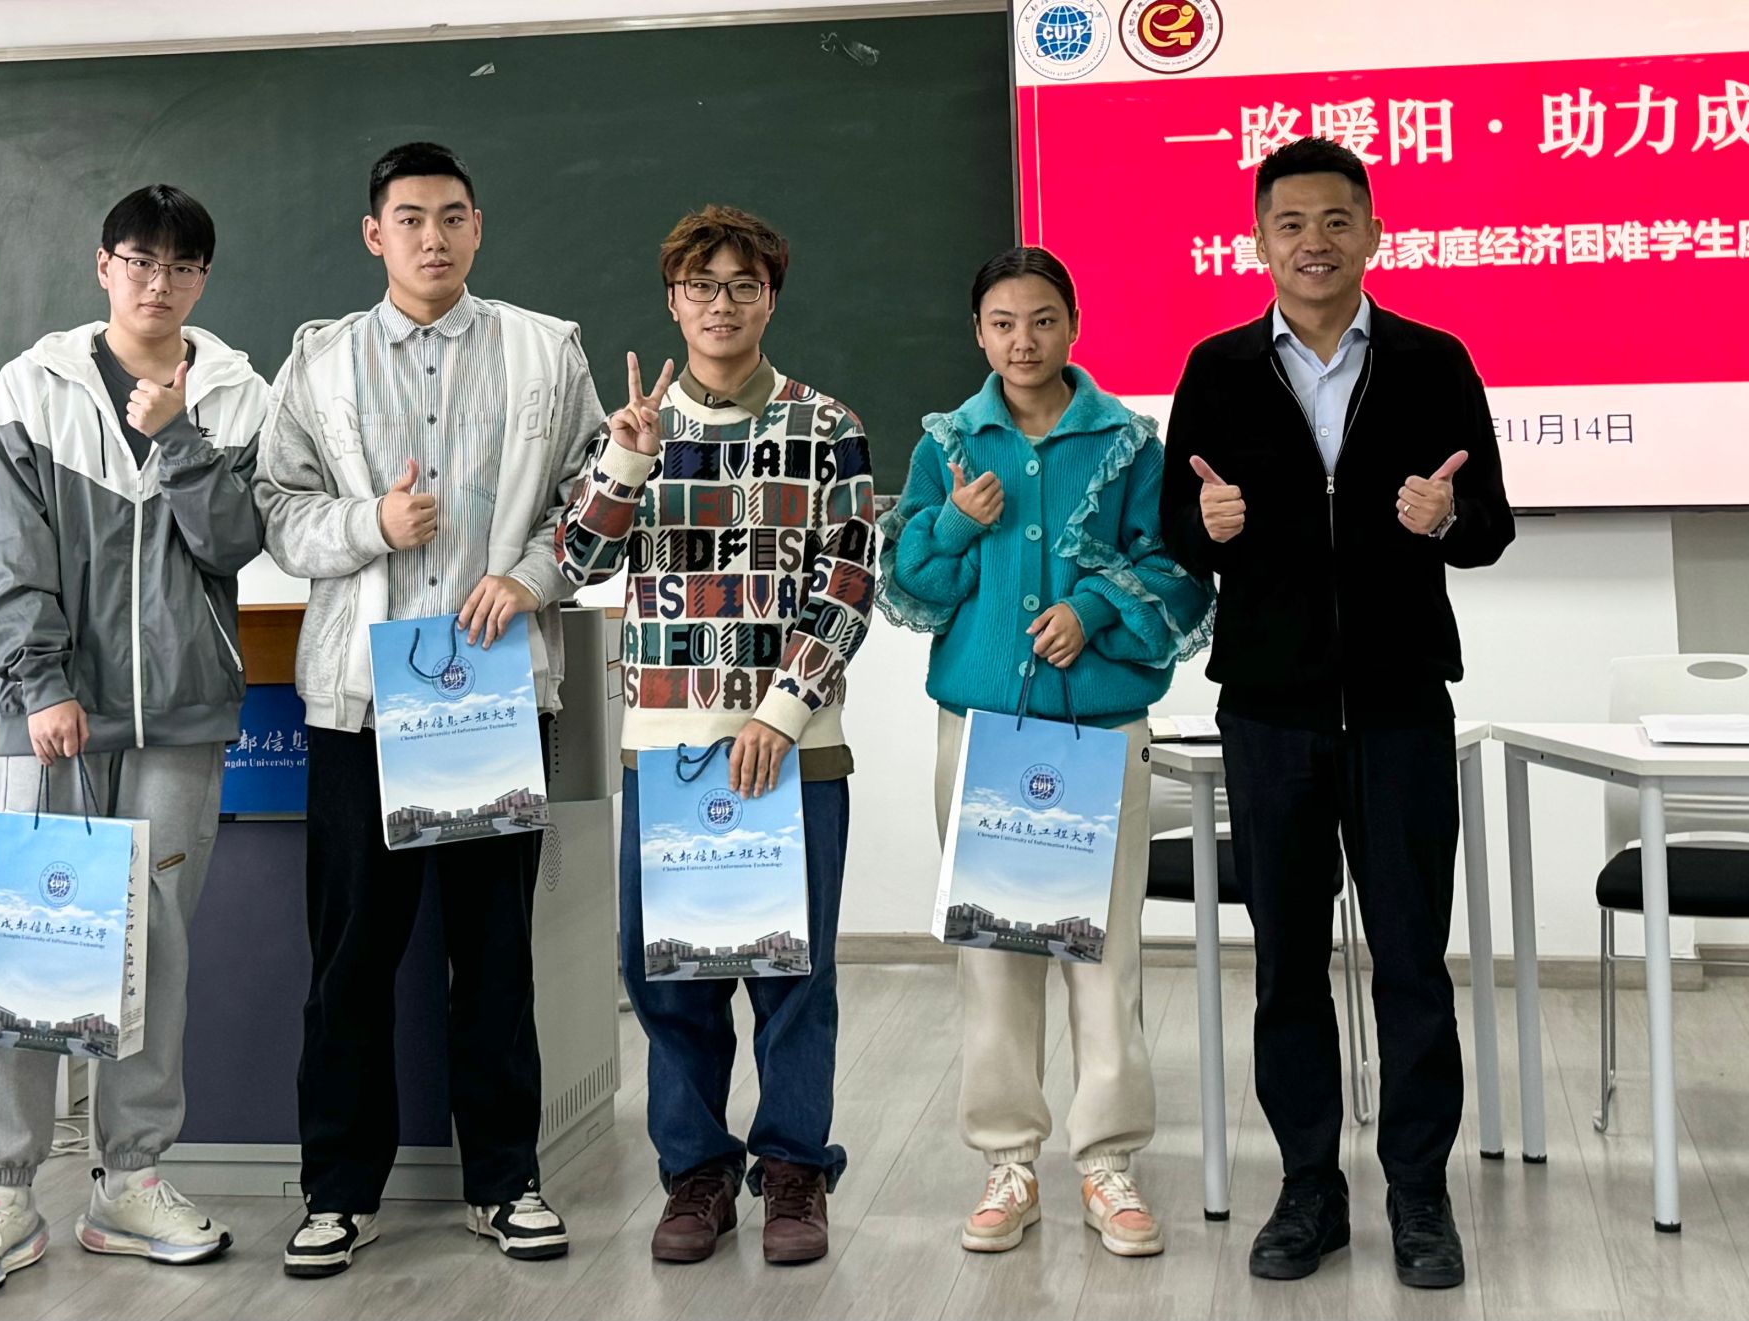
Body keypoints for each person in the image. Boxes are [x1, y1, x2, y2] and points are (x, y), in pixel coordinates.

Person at [1158, 136, 1515, 1290]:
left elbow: (1490, 525)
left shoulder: (1431, 360)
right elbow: (1173, 529)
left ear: (1370, 231)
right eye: (1289, 222)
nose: (1311, 240)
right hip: (1269, 710)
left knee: (1410, 959)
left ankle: (1417, 1191)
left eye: (1332, 219)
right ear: (1257, 240)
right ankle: (1307, 1186)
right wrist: (1203, 531)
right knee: (1286, 964)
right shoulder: (1215, 368)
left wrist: (1442, 520)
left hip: (1401, 704)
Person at [253, 141, 605, 1277]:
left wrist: (534, 576)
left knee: (493, 952)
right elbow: (277, 510)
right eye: (409, 219)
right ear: (375, 235)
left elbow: (595, 500)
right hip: (362, 701)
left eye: (452, 216)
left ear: (478, 226)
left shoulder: (544, 350)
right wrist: (372, 525)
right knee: (352, 954)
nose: (432, 237)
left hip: (490, 695)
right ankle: (335, 1192)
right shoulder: (319, 361)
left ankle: (505, 1181)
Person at [0, 184, 267, 1298]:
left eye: (181, 265)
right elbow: (7, 559)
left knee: (155, 946)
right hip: (55, 720)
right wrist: (38, 684)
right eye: (139, 260)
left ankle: (130, 1179)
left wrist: (177, 438)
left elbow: (235, 542)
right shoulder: (34, 386)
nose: (158, 282)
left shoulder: (237, 391)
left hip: (181, 715)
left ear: (202, 279)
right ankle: (5, 1193)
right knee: (39, 936)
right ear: (103, 265)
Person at [554, 204, 876, 1265]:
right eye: (702, 286)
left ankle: (793, 1171)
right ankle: (695, 1175)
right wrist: (625, 464)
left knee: (794, 977)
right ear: (672, 302)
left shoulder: (826, 425)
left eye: (743, 285)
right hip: (667, 750)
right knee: (671, 977)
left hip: (795, 748)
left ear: (769, 298)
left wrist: (780, 713)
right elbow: (578, 563)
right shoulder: (633, 429)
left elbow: (848, 581)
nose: (721, 304)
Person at [879, 245, 1212, 1258]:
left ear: (1073, 324)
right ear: (977, 335)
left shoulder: (1128, 443)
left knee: (1103, 957)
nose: (1022, 341)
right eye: (1001, 323)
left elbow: (1179, 569)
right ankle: (1007, 1162)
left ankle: (1107, 1162)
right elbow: (908, 584)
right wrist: (952, 520)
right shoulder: (948, 444)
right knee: (992, 955)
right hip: (982, 735)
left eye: (1041, 320)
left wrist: (1092, 608)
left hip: (1097, 737)